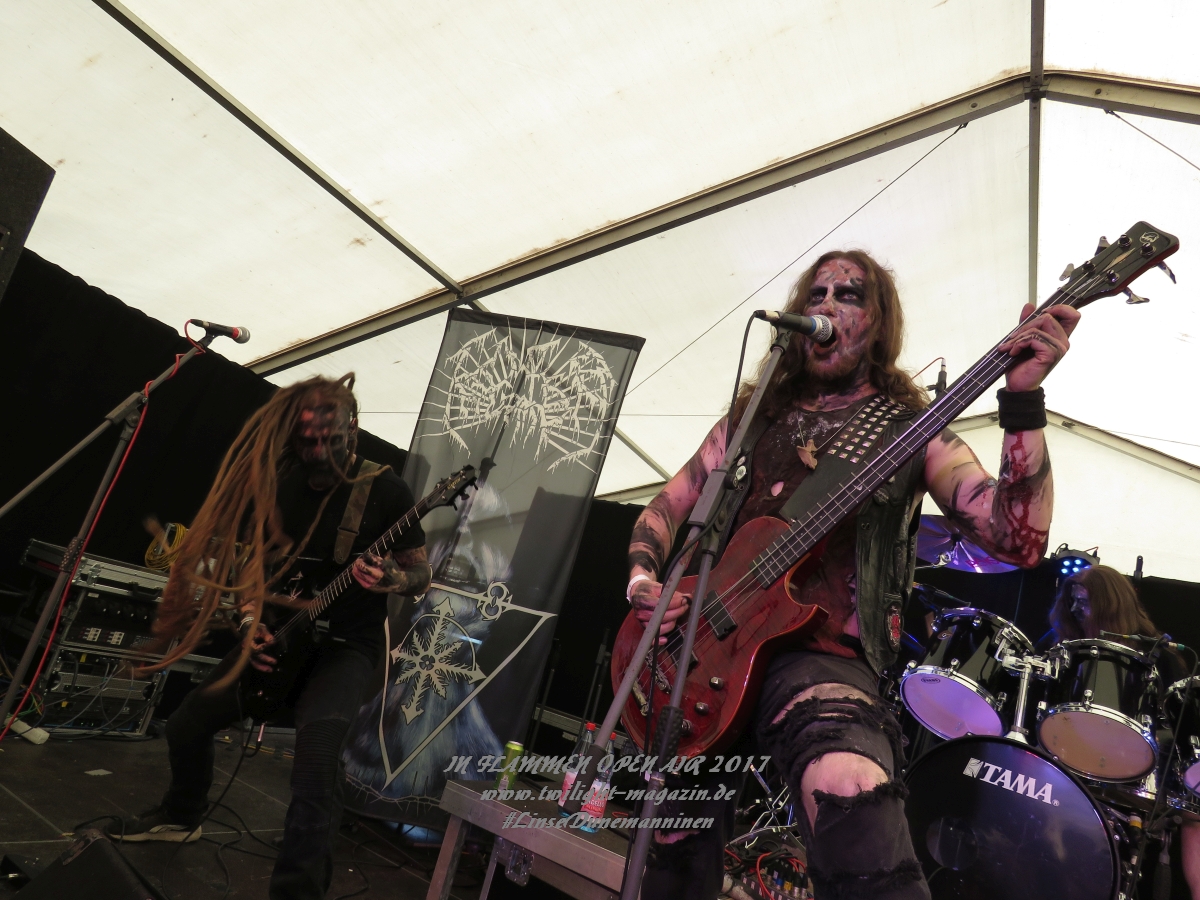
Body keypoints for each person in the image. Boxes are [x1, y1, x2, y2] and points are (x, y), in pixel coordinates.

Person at [625, 250, 1077, 899]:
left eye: (849, 295)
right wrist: (645, 582)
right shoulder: (751, 422)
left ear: (878, 322)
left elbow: (1017, 539)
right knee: (672, 856)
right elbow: (668, 507)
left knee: (848, 790)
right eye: (817, 293)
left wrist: (1023, 398)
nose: (827, 304)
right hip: (703, 653)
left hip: (821, 658)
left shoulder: (916, 432)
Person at [111, 374, 431, 900]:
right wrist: (248, 626)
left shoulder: (385, 489)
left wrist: (392, 578)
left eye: (331, 439)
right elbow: (250, 569)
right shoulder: (279, 483)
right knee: (187, 724)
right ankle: (181, 815)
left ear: (353, 428)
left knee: (316, 758)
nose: (319, 451)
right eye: (307, 441)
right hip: (280, 634)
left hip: (347, 646)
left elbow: (421, 575)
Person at [1045, 564, 1199, 899]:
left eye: (1084, 601)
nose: (1076, 608)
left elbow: (1178, 725)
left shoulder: (1160, 655)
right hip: (1067, 764)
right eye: (1072, 601)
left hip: (1136, 773)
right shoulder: (1065, 647)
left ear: (1110, 603)